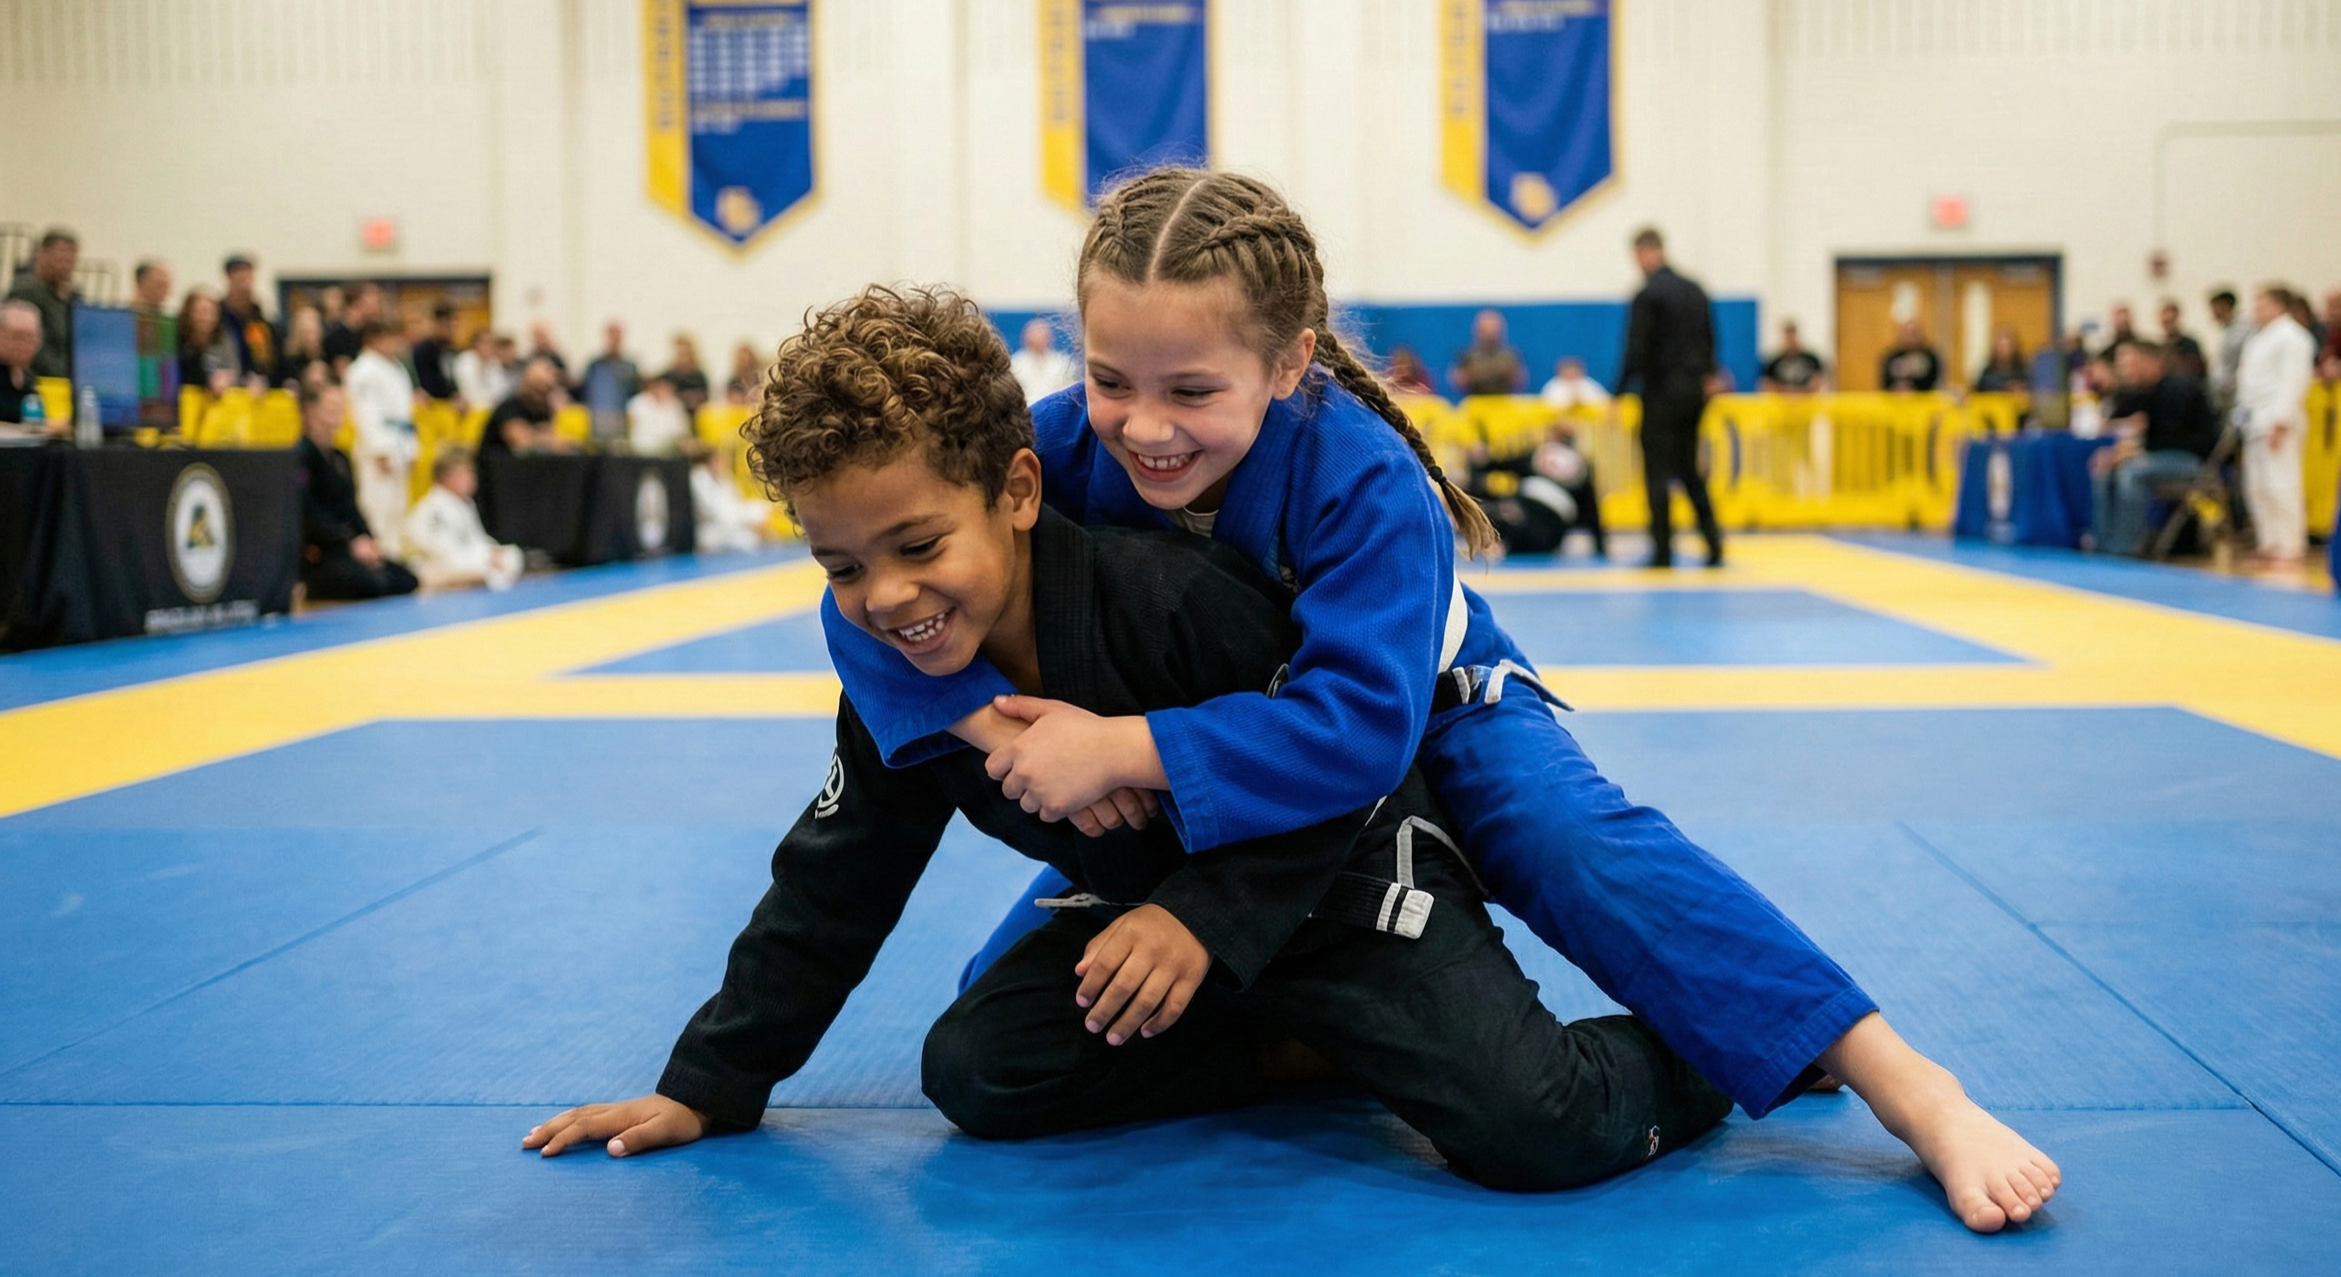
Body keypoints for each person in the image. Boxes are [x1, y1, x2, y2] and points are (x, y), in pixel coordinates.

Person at [819, 169, 2059, 1233]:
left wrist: (1121, 743)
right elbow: (860, 592)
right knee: (1035, 1008)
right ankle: (1320, 1038)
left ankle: (1901, 1083)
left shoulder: (1359, 474)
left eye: (1192, 390)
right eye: (1110, 379)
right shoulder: (1058, 451)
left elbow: (1359, 725)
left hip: (1440, 707)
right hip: (1219, 770)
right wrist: (984, 721)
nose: (1145, 426)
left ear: (1290, 360)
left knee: (1570, 842)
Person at [522, 285, 1734, 1193]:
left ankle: (1705, 1048)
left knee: (1528, 1126)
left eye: (916, 546)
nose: (886, 596)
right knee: (983, 1067)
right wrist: (707, 1084)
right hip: (1175, 906)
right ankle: (1302, 1037)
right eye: (840, 565)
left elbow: (1341, 761)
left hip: (1345, 866)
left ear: (1017, 489)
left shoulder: (1171, 600)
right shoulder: (912, 677)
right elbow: (834, 876)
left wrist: (1203, 918)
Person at [1618, 227, 1724, 569]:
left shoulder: (1647, 295)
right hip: (1694, 391)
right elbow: (1709, 338)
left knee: (1657, 473)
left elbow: (1637, 348)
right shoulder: (1695, 290)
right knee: (1689, 469)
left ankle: (1663, 550)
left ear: (1644, 253)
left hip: (1661, 391)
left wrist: (1618, 392)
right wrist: (1707, 374)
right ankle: (1713, 542)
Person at [2087, 341, 2220, 556]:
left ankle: (2126, 547)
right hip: (2157, 457)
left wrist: (2128, 453)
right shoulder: (2141, 392)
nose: (2123, 370)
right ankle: (2103, 543)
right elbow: (2110, 422)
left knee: (2131, 471)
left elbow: (2174, 440)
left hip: (2190, 460)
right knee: (2102, 467)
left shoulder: (2179, 388)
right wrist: (2116, 452)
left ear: (2150, 362)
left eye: (2129, 364)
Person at [294, 381, 418, 602]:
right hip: (321, 552)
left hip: (349, 548)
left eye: (341, 406)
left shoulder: (341, 457)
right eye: (331, 407)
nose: (338, 413)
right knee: (373, 583)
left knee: (406, 578)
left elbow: (351, 508)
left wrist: (369, 540)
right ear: (310, 411)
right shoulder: (300, 456)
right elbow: (307, 513)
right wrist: (348, 542)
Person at [2233, 286, 2317, 565]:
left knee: (2282, 484)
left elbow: (2292, 381)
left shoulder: (2293, 337)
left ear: (2279, 305)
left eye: (2262, 304)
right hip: (2254, 422)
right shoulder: (2259, 339)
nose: (2256, 309)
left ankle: (2291, 546)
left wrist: (2280, 421)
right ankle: (2269, 542)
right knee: (2258, 487)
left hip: (2278, 422)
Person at [1469, 421, 1605, 559]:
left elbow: (1506, 464)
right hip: (1554, 523)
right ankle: (1504, 540)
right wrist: (1601, 546)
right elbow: (1591, 509)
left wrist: (1484, 461)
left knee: (1503, 513)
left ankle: (1499, 542)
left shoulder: (1541, 453)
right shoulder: (1581, 465)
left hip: (1527, 503)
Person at [345, 319, 422, 554]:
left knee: (398, 509)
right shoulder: (363, 370)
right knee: (377, 507)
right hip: (379, 450)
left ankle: (394, 558)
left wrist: (411, 447)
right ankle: (378, 559)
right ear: (372, 340)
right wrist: (380, 450)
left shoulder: (396, 368)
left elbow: (406, 414)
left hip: (400, 442)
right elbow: (366, 415)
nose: (394, 344)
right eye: (388, 338)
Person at [401, 446, 523, 592]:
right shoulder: (432, 510)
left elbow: (477, 540)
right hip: (440, 567)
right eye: (464, 474)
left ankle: (481, 579)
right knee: (459, 566)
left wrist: (492, 553)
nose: (471, 479)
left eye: (471, 473)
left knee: (512, 555)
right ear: (445, 477)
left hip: (470, 561)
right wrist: (486, 557)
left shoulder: (465, 504)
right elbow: (444, 554)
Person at [6, 227, 78, 380]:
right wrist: (66, 373)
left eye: (70, 260)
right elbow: (29, 346)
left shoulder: (74, 298)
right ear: (41, 254)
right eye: (60, 259)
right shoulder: (25, 293)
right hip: (37, 378)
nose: (65, 265)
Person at [479, 357, 568, 459]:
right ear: (525, 383)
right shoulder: (508, 407)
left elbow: (556, 444)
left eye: (546, 390)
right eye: (537, 387)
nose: (541, 394)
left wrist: (535, 435)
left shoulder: (543, 411)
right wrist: (542, 437)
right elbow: (522, 444)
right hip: (497, 469)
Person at [690, 447, 774, 553]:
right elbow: (720, 513)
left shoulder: (724, 479)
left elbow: (737, 503)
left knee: (752, 534)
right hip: (714, 529)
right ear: (710, 462)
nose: (722, 464)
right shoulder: (700, 478)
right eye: (718, 461)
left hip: (733, 524)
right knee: (749, 537)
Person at [1, 299, 63, 434]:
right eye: (17, 337)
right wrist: (38, 430)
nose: (24, 345)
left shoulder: (28, 380)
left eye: (31, 338)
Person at [218, 254, 277, 386]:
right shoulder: (218, 318)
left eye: (248, 279)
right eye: (240, 279)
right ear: (229, 280)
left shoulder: (260, 320)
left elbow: (269, 359)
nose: (245, 286)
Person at [581, 321, 640, 442]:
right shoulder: (594, 365)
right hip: (597, 417)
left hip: (621, 417)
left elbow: (635, 392)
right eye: (611, 334)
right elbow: (585, 389)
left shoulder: (630, 366)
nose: (614, 339)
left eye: (617, 335)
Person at [1448, 309, 1525, 396]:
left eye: (1493, 327)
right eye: (1486, 327)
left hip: (1503, 403)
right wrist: (1473, 375)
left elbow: (1520, 380)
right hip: (1476, 403)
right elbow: (1457, 380)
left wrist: (1508, 373)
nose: (1490, 332)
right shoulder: (1468, 354)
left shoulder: (1509, 355)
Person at [175, 291, 239, 394]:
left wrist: (228, 378)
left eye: (210, 312)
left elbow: (235, 370)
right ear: (188, 314)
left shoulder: (224, 341)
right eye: (200, 312)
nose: (205, 318)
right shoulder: (178, 342)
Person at [1009, 318, 1080, 403]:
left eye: (1042, 335)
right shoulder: (1016, 363)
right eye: (1034, 336)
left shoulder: (1063, 364)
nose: (1038, 340)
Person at [2207, 287, 2252, 411]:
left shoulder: (2243, 328)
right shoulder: (2228, 329)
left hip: (2235, 392)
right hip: (2225, 392)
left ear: (2225, 306)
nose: (2213, 314)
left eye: (2215, 309)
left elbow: (2235, 361)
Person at [626, 373, 693, 456]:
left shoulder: (676, 405)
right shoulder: (638, 403)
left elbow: (682, 432)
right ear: (654, 386)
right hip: (640, 450)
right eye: (662, 387)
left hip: (669, 452)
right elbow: (629, 428)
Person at [323, 283, 381, 376]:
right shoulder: (336, 336)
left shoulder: (365, 333)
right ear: (356, 304)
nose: (374, 307)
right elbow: (343, 372)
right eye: (368, 303)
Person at [410, 302, 461, 401]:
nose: (450, 331)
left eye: (453, 326)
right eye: (446, 326)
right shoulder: (423, 351)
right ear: (435, 324)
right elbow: (426, 383)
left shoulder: (452, 351)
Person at [1759, 320, 1826, 393]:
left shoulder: (1811, 360)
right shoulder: (1773, 362)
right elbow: (1765, 383)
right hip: (1781, 402)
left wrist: (1801, 393)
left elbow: (1819, 380)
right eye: (1788, 337)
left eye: (1793, 336)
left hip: (1808, 402)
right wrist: (1786, 392)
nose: (1791, 341)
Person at [453, 328, 512, 409]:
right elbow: (469, 393)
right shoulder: (465, 361)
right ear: (476, 344)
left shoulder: (494, 363)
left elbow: (501, 391)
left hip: (491, 408)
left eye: (492, 343)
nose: (490, 346)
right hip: (470, 409)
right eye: (486, 342)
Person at [1878, 320, 1943, 392]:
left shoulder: (1931, 357)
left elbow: (1937, 383)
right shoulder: (1891, 356)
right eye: (1907, 334)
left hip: (1925, 401)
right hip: (1895, 401)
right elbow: (1883, 383)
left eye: (1914, 333)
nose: (1911, 338)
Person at [276, 307, 327, 389]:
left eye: (313, 332)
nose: (310, 337)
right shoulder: (288, 360)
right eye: (305, 332)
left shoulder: (326, 355)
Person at [1538, 356, 1610, 411]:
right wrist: (1569, 403)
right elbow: (1546, 404)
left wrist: (1581, 402)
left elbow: (1603, 400)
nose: (1571, 374)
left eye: (1574, 371)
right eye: (1568, 371)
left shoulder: (1588, 384)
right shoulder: (1554, 385)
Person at [2158, 299, 2206, 381]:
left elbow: (2198, 370)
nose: (2168, 326)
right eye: (2166, 322)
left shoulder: (2190, 344)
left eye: (2171, 321)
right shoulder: (2161, 346)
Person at [1970, 326, 2027, 393]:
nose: (2003, 350)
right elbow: (1976, 391)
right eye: (2000, 346)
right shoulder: (1987, 372)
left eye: (2006, 346)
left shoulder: (2023, 371)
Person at [666, 333, 712, 413]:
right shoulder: (668, 375)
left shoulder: (699, 377)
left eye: (684, 354)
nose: (682, 357)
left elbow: (703, 399)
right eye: (680, 353)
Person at [723, 340, 764, 405]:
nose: (746, 361)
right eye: (742, 359)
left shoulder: (760, 379)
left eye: (748, 358)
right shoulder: (733, 382)